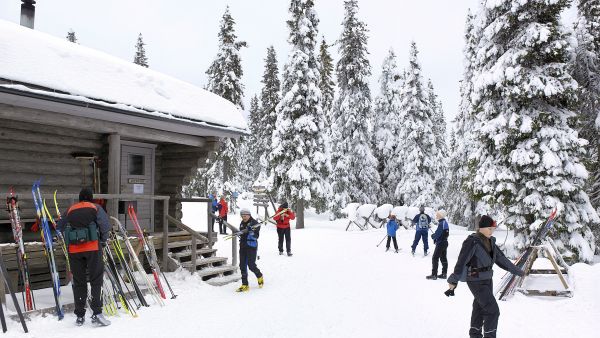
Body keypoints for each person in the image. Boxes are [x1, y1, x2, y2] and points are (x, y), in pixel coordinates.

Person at [445, 215, 524, 338]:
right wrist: (453, 280)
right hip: (475, 280)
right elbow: (461, 262)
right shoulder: (472, 241)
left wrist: (518, 271)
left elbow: (501, 259)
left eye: (493, 229)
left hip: (487, 279)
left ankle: (475, 335)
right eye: (489, 228)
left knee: (480, 308)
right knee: (493, 311)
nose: (491, 231)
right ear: (481, 228)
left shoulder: (491, 241)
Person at [57, 187, 111, 326]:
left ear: (80, 198)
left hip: (74, 250)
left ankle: (80, 315)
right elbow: (105, 226)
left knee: (79, 281)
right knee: (96, 280)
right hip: (92, 248)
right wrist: (103, 240)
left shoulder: (70, 209)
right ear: (91, 197)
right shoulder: (96, 207)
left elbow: (60, 227)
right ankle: (97, 313)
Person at [235, 208, 264, 292]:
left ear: (249, 215)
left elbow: (256, 236)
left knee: (251, 265)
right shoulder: (242, 223)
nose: (243, 218)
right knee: (242, 265)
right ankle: (245, 285)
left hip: (251, 246)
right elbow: (242, 233)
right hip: (243, 246)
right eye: (242, 216)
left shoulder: (255, 223)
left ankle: (259, 276)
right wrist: (239, 234)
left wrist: (251, 232)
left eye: (245, 216)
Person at [426, 210, 449, 280]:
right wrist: (436, 237)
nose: (436, 215)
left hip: (441, 243)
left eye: (438, 214)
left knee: (435, 258)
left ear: (441, 215)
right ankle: (444, 274)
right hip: (444, 242)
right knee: (443, 258)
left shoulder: (441, 223)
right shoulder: (445, 223)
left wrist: (433, 236)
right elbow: (444, 233)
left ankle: (434, 275)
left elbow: (438, 233)